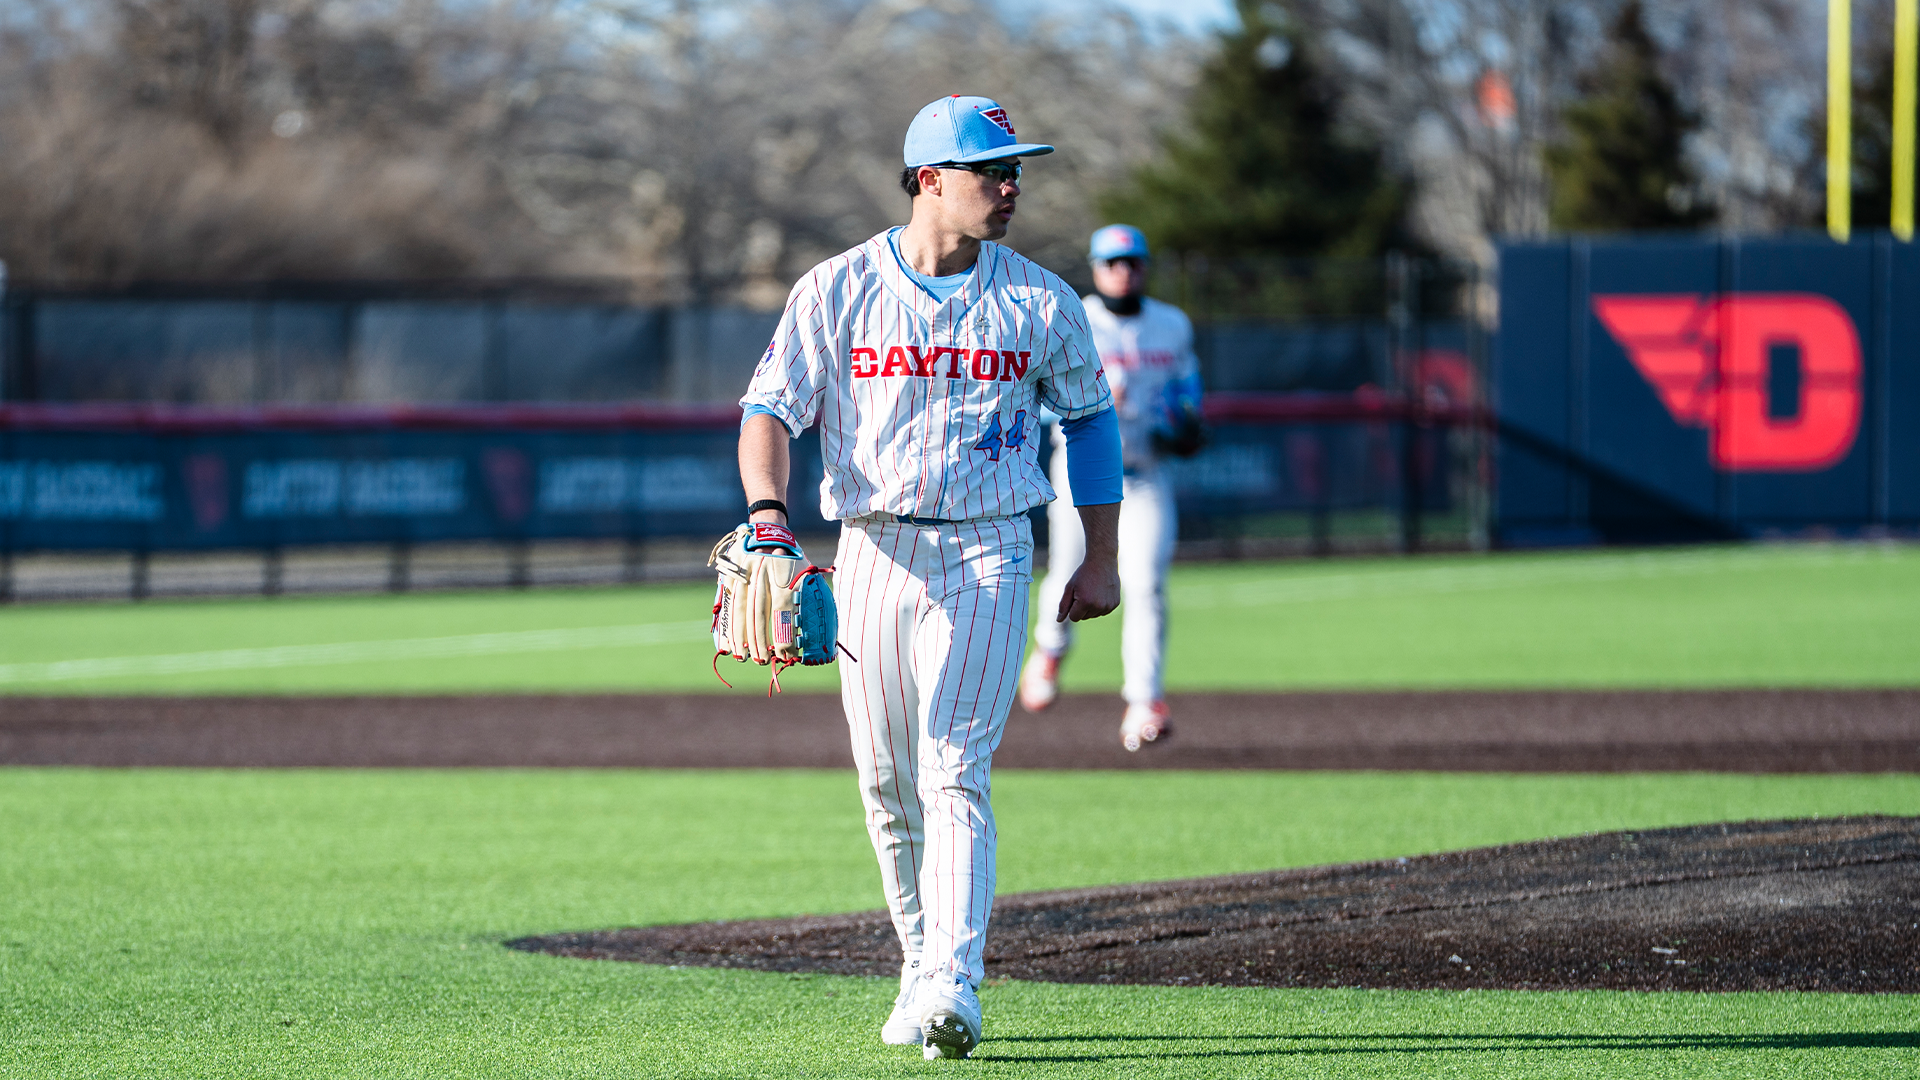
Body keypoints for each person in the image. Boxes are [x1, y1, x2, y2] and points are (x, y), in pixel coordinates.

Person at [734, 95, 1123, 1060]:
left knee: (953, 767)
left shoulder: (1040, 300)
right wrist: (771, 521)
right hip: (870, 546)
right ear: (929, 180)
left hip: (989, 544)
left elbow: (1091, 422)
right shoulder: (837, 288)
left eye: (1015, 168)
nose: (1011, 184)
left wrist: (1100, 551)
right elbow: (769, 412)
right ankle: (918, 965)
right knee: (884, 780)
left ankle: (955, 976)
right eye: (992, 169)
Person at [1018, 224, 1203, 751]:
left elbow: (1189, 396)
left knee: (1147, 585)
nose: (1124, 271)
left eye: (1134, 262)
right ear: (1096, 268)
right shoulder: (1072, 314)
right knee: (1065, 572)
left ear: (1145, 267)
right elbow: (1039, 401)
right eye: (1113, 262)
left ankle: (1145, 699)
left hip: (1143, 474)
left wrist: (1186, 422)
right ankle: (1051, 648)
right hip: (1077, 472)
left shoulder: (1172, 325)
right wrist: (1095, 409)